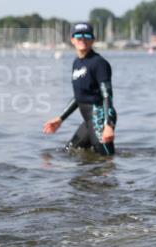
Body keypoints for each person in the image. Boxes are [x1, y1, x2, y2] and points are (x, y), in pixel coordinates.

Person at [42, 23, 117, 155]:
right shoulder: (76, 63)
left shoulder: (99, 63)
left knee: (107, 159)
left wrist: (108, 125)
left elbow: (107, 96)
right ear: (72, 40)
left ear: (93, 40)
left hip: (100, 118)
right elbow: (79, 97)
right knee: (69, 151)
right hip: (89, 121)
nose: (82, 39)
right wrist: (60, 118)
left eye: (87, 36)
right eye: (78, 36)